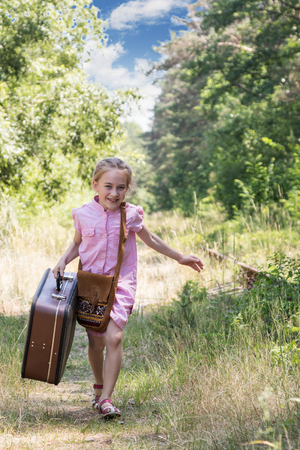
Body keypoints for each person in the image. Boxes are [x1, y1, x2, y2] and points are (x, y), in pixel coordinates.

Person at [52, 157, 203, 418]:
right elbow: (77, 244)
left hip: (121, 283)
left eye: (121, 187)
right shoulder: (82, 214)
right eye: (108, 186)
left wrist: (180, 257)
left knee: (114, 337)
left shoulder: (131, 214)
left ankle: (106, 399)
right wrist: (63, 260)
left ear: (127, 189)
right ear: (95, 185)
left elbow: (150, 238)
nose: (114, 193)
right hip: (93, 286)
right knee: (95, 341)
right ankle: (98, 386)